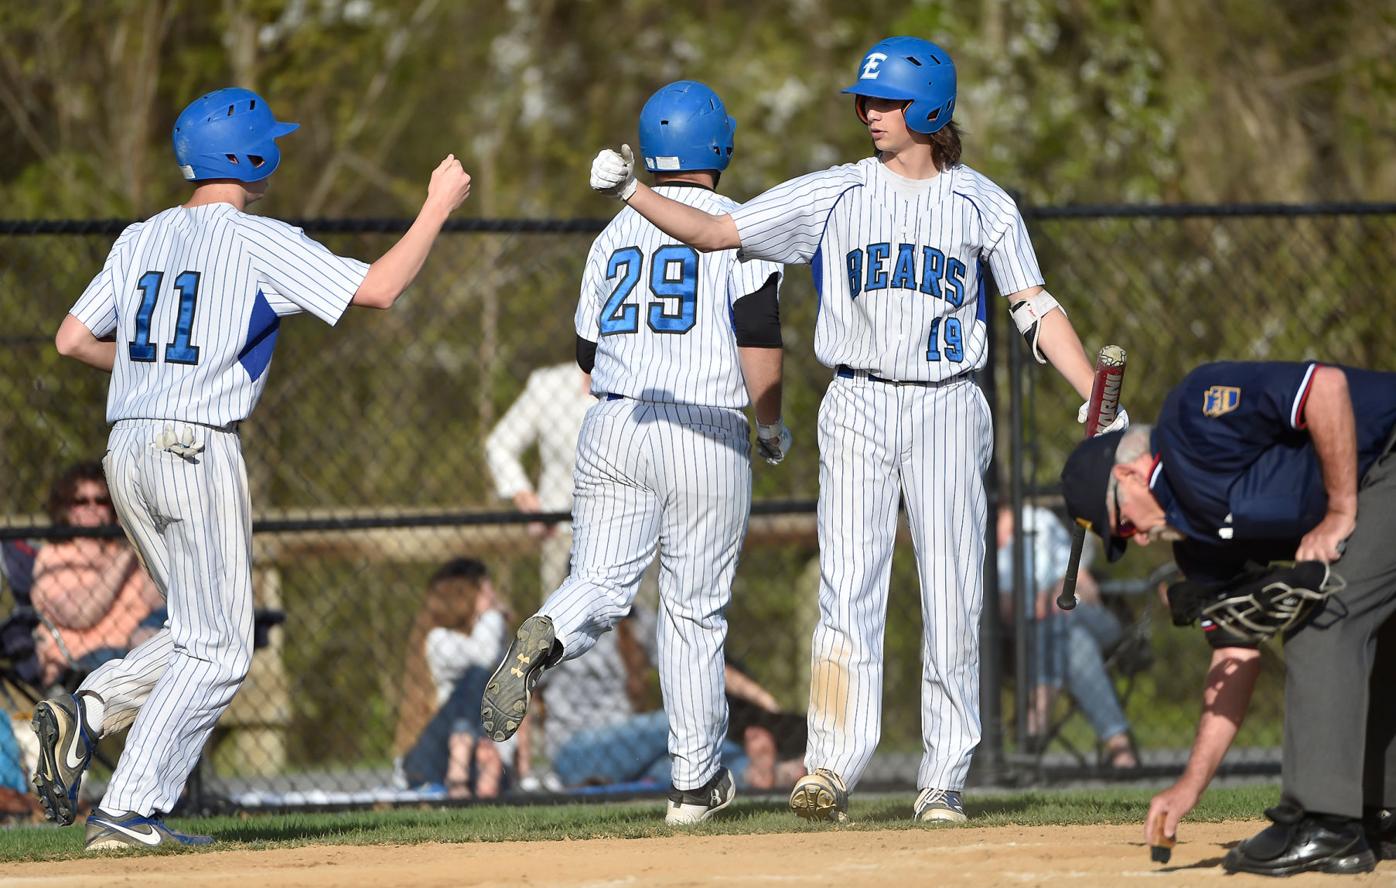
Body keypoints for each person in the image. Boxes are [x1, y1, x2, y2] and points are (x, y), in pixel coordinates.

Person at [586, 37, 1121, 824]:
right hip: (858, 404)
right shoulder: (833, 192)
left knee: (951, 592)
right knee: (847, 590)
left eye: (886, 102)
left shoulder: (981, 202)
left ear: (931, 109)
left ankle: (942, 777)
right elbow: (711, 235)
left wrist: (1091, 394)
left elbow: (1033, 307)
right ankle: (830, 766)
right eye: (865, 101)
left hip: (947, 405)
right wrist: (633, 190)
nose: (869, 113)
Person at [33, 86, 472, 851]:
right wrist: (436, 205)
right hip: (193, 444)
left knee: (200, 627)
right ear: (250, 156)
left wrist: (148, 380)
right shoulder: (254, 238)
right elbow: (380, 288)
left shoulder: (140, 236)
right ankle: (128, 810)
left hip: (126, 447)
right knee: (224, 647)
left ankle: (89, 707)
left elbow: (72, 340)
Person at [481, 80, 789, 826]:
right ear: (721, 143)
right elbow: (757, 336)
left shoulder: (612, 233)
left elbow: (586, 353)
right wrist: (772, 426)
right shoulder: (738, 224)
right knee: (692, 611)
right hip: (702, 426)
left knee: (599, 582)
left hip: (613, 422)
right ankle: (693, 784)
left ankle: (549, 628)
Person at [1060, 360, 1396, 876]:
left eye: (1122, 524)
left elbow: (1322, 387)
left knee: (1323, 620)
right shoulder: (1196, 543)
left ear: (1127, 473)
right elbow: (1234, 655)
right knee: (1371, 630)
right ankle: (1382, 813)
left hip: (1386, 456)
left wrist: (1340, 512)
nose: (1137, 538)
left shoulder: (1192, 414)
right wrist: (1188, 787)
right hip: (1375, 486)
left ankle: (1324, 824)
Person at [995, 505, 1136, 768]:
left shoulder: (1039, 522)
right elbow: (1003, 610)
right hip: (1035, 638)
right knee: (1073, 641)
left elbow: (1084, 583)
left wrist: (1053, 597)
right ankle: (1119, 745)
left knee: (1063, 614)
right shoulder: (980, 546)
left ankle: (1038, 716)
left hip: (1087, 614)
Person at [30, 463, 164, 687]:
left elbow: (157, 601)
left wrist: (141, 542)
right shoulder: (54, 557)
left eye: (100, 501)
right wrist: (126, 552)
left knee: (164, 623)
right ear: (66, 508)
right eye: (81, 501)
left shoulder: (124, 550)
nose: (92, 508)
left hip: (139, 647)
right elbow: (82, 615)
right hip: (82, 661)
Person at [395, 558, 513, 799]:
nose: (493, 595)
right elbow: (483, 657)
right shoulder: (439, 639)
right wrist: (493, 617)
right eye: (486, 588)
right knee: (477, 676)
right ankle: (462, 752)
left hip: (483, 748)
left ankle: (479, 770)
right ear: (468, 595)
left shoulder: (494, 635)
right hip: (437, 757)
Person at [484, 362, 594, 593]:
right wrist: (524, 496)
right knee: (560, 620)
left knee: (637, 622)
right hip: (563, 532)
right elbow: (499, 444)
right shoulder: (548, 385)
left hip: (634, 530)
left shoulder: (643, 381)